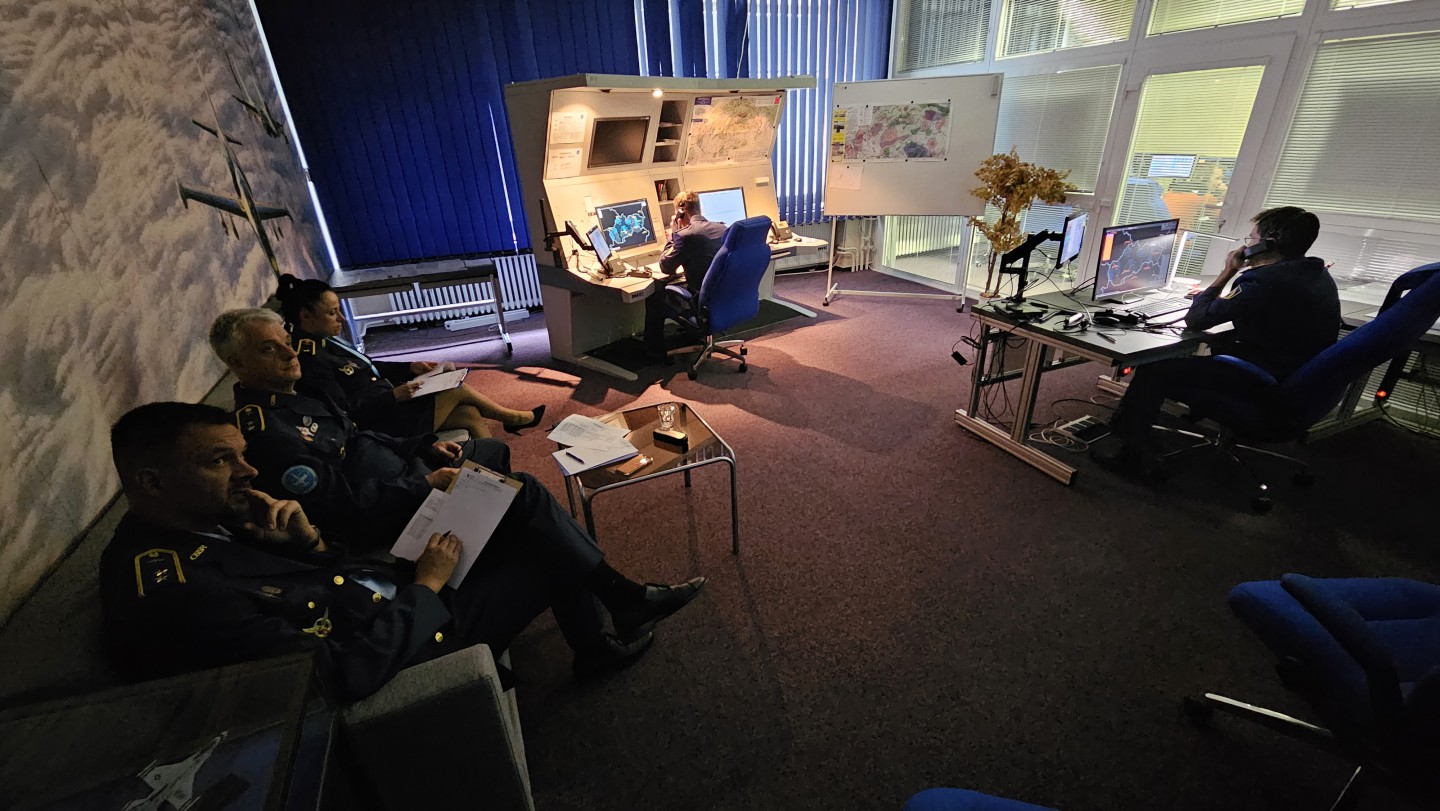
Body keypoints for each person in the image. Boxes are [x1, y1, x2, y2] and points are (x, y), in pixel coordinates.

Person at [101, 402, 707, 701]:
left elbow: (316, 583)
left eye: (240, 454)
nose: (249, 470)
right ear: (152, 481)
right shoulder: (176, 591)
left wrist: (310, 545)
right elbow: (337, 674)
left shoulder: (207, 523)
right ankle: (609, 621)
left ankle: (616, 610)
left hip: (387, 587)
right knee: (539, 542)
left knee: (516, 496)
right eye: (220, 461)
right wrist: (426, 587)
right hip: (410, 635)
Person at [211, 307, 516, 552]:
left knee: (493, 451)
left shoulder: (303, 390)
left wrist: (423, 446)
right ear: (238, 362)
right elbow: (343, 505)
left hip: (408, 474)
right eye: (269, 349)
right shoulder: (265, 433)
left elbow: (359, 435)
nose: (290, 354)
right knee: (521, 494)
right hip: (392, 510)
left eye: (287, 343)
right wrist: (426, 483)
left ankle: (493, 527)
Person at [1092, 206, 1340, 475]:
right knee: (1200, 349)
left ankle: (1132, 456)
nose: (1247, 245)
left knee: (1154, 368)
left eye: (1252, 239)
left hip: (1266, 381)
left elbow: (1196, 320)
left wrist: (1227, 272)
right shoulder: (1316, 273)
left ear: (1268, 244)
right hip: (1295, 377)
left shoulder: (1265, 280)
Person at [274, 274, 543, 438]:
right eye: (332, 313)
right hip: (381, 422)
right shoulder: (308, 359)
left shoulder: (323, 340)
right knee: (456, 390)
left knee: (469, 414)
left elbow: (366, 366)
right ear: (306, 316)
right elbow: (346, 412)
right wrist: (395, 395)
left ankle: (498, 478)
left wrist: (410, 367)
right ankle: (514, 419)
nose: (342, 319)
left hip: (390, 405)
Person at [644, 191, 729, 360]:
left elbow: (665, 267)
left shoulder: (685, 235)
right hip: (724, 298)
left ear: (681, 212)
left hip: (701, 302)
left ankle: (654, 353)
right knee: (682, 284)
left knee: (655, 298)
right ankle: (693, 336)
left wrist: (674, 235)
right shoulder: (723, 229)